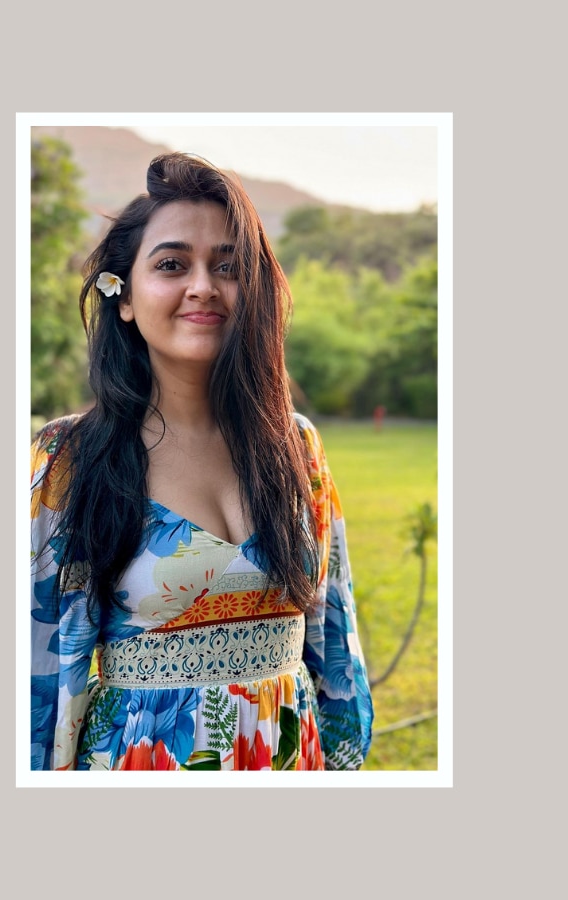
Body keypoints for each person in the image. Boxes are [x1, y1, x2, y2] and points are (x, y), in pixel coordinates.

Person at [30, 152, 373, 771]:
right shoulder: (72, 458)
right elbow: (39, 669)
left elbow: (335, 645)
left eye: (228, 265)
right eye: (171, 265)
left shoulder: (295, 447)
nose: (203, 287)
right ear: (125, 297)